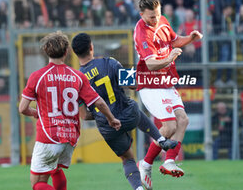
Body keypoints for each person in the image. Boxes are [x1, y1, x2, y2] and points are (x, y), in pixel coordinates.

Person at [71, 33, 177, 190]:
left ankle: (138, 188)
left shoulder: (77, 79)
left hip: (108, 126)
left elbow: (84, 115)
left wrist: (104, 115)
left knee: (128, 159)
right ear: (91, 47)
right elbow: (133, 85)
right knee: (133, 106)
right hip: (128, 114)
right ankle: (160, 139)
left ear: (75, 53)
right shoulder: (109, 62)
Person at [18, 31, 121, 190]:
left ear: (46, 51)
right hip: (70, 136)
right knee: (56, 169)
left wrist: (35, 113)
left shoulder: (37, 76)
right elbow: (98, 102)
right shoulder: (78, 76)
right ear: (67, 52)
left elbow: (23, 108)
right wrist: (111, 118)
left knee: (37, 184)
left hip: (48, 136)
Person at [133, 0, 202, 189]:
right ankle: (145, 164)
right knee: (170, 127)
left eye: (157, 14)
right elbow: (153, 64)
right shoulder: (141, 32)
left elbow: (173, 40)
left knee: (183, 120)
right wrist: (170, 58)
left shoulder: (162, 20)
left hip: (166, 82)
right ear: (142, 15)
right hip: (150, 84)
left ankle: (169, 161)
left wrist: (190, 38)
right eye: (151, 16)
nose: (155, 19)